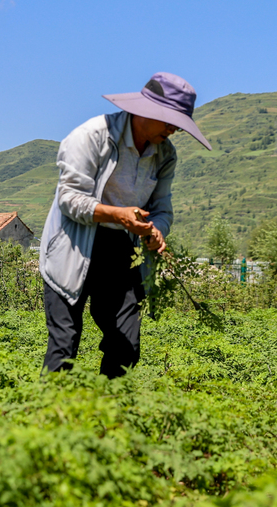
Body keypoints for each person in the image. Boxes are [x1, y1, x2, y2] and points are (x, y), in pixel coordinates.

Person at [39, 72, 211, 378]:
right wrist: (118, 214)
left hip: (122, 250)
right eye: (169, 120)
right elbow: (69, 199)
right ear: (145, 111)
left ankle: (108, 417)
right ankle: (52, 418)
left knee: (125, 346)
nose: (173, 129)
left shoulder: (164, 154)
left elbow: (162, 210)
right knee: (64, 347)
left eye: (178, 123)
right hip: (73, 246)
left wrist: (156, 229)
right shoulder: (93, 136)